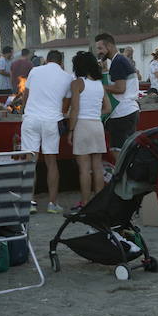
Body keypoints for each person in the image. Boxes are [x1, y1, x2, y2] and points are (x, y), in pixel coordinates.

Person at [16, 50, 73, 213]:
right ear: (61, 62)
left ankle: (29, 203)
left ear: (46, 60)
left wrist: (24, 113)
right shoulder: (67, 77)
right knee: (51, 163)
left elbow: (26, 95)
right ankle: (52, 204)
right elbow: (66, 105)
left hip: (31, 120)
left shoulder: (35, 71)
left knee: (30, 162)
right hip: (51, 121)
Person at [70, 51, 110, 207]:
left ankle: (85, 202)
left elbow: (74, 109)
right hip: (97, 125)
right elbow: (108, 108)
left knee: (84, 169)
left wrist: (71, 130)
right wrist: (95, 113)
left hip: (82, 126)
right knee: (98, 167)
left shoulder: (78, 83)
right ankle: (99, 203)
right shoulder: (100, 84)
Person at [96, 33, 139, 153]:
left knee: (118, 151)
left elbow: (120, 88)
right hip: (129, 111)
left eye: (100, 48)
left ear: (109, 46)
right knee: (127, 151)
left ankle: (122, 172)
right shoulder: (120, 60)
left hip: (122, 113)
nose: (99, 52)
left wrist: (99, 87)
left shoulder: (117, 62)